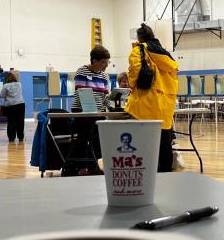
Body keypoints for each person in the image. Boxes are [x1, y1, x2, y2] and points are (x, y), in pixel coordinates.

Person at [124, 24, 179, 172]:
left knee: (144, 139)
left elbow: (135, 70)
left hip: (146, 100)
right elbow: (174, 75)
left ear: (139, 38)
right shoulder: (166, 54)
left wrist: (130, 83)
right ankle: (166, 170)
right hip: (166, 101)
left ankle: (147, 169)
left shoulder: (138, 50)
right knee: (164, 138)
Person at [73, 45, 111, 111]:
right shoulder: (82, 71)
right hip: (82, 112)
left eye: (108, 62)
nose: (107, 65)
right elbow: (81, 95)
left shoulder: (104, 76)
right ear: (94, 61)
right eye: (103, 62)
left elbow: (106, 97)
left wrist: (112, 108)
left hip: (99, 112)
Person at [0, 71, 25, 143]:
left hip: (11, 106)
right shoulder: (19, 84)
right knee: (20, 122)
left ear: (6, 79)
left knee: (11, 122)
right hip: (21, 105)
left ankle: (11, 138)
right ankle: (21, 138)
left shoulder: (5, 86)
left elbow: (2, 96)